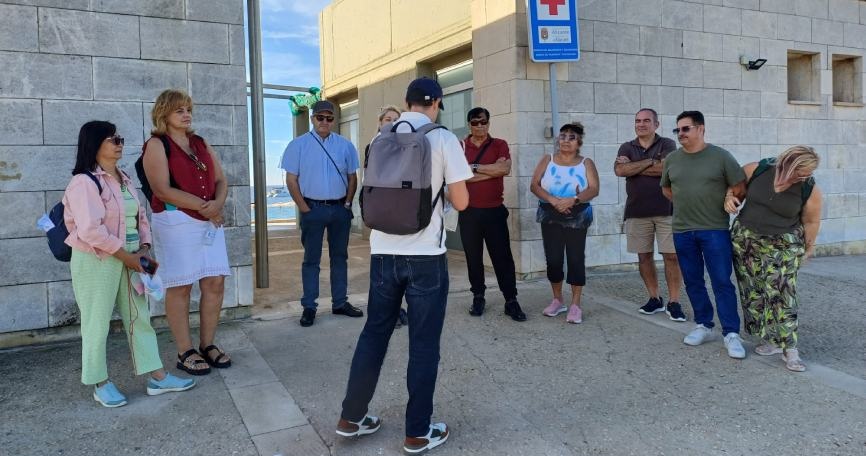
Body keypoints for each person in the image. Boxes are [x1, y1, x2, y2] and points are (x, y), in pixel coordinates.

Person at [336, 77, 472, 454]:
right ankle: (417, 432)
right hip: (426, 256)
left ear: (406, 101)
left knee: (374, 335)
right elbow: (461, 202)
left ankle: (351, 418)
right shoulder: (443, 138)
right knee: (424, 344)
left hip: (382, 251)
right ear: (438, 103)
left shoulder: (381, 137)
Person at [64, 120, 195, 407]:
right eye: (113, 139)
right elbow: (90, 230)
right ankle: (100, 382)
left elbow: (140, 218)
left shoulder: (124, 179)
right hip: (97, 259)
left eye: (120, 138)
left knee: (140, 318)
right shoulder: (84, 182)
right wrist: (128, 257)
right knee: (96, 322)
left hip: (133, 257)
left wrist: (145, 248)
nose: (119, 143)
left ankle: (157, 376)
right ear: (95, 143)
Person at [142, 89, 232, 375]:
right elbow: (161, 188)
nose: (186, 114)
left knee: (215, 281)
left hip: (208, 221)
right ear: (164, 113)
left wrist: (216, 204)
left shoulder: (200, 142)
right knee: (180, 285)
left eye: (188, 109)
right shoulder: (157, 144)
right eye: (179, 110)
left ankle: (208, 344)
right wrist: (205, 207)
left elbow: (220, 179)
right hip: (176, 221)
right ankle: (185, 350)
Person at [726, 146, 822, 371]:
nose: (804, 177)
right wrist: (729, 198)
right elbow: (734, 190)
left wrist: (808, 248)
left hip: (783, 244)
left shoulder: (810, 188)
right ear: (787, 163)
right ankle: (770, 340)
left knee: (783, 293)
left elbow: (811, 221)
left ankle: (790, 349)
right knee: (754, 291)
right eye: (801, 172)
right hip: (746, 239)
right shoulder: (756, 169)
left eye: (807, 173)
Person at [660, 111, 747, 359]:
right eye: (677, 130)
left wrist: (733, 200)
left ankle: (731, 333)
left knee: (721, 281)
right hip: (683, 230)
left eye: (685, 129)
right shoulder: (672, 159)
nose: (680, 134)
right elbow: (666, 189)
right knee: (693, 280)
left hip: (714, 230)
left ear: (701, 129)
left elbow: (740, 184)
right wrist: (687, 202)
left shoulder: (720, 156)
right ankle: (704, 325)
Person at [280, 99, 363, 327]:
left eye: (329, 118)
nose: (324, 122)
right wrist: (304, 208)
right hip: (312, 209)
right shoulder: (297, 145)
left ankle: (339, 302)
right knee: (311, 260)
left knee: (340, 258)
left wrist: (347, 204)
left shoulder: (345, 145)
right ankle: (309, 307)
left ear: (334, 120)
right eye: (320, 118)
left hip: (339, 209)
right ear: (312, 119)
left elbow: (352, 177)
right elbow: (291, 180)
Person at [615, 108, 685, 321]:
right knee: (643, 256)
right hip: (637, 211)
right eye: (638, 121)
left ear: (656, 124)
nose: (641, 124)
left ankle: (674, 301)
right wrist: (650, 161)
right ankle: (654, 298)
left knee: (671, 257)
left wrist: (634, 166)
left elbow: (668, 169)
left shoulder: (668, 144)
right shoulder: (627, 146)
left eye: (646, 121)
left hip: (667, 210)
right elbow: (620, 171)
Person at [459, 107, 525, 321]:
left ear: (489, 122)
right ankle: (478, 296)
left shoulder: (499, 144)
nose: (480, 126)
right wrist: (490, 170)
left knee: (502, 258)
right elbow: (459, 177)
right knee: (473, 258)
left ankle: (511, 300)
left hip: (495, 211)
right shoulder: (460, 146)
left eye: (483, 121)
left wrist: (474, 167)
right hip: (469, 212)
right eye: (475, 122)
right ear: (469, 124)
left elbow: (504, 169)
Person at [530, 122, 599, 324]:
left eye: (571, 137)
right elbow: (534, 185)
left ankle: (576, 304)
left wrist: (573, 200)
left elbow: (594, 189)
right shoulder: (547, 159)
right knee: (553, 259)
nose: (566, 141)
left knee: (576, 258)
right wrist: (554, 201)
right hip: (549, 213)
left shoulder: (586, 162)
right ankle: (558, 300)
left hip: (577, 214)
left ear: (579, 142)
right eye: (562, 136)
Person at [365, 105, 409, 329]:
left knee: (397, 269)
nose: (391, 123)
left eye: (396, 120)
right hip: (383, 216)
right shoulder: (375, 145)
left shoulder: (405, 146)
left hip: (400, 216)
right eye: (387, 119)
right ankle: (382, 315)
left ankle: (396, 309)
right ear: (380, 124)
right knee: (382, 272)